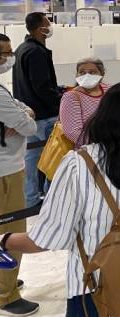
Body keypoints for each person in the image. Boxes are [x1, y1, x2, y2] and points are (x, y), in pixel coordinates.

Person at [1, 81, 120, 317]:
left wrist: (5, 240)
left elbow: (50, 238)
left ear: (104, 114)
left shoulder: (77, 165)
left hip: (92, 285)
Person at [0, 34, 40, 316]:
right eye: (4, 53)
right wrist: (24, 116)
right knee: (10, 231)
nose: (8, 57)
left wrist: (22, 113)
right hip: (6, 171)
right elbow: (29, 127)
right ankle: (6, 293)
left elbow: (22, 111)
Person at [12, 12, 62, 208]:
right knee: (53, 158)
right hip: (44, 115)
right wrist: (59, 101)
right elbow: (42, 86)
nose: (50, 27)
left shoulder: (22, 49)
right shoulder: (36, 52)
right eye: (48, 23)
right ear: (41, 29)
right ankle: (50, 199)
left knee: (31, 159)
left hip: (30, 114)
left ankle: (31, 199)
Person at [59, 58, 109, 148]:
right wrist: (102, 144)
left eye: (92, 72)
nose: (87, 76)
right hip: (89, 149)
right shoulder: (71, 97)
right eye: (82, 72)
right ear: (76, 75)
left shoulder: (110, 90)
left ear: (102, 74)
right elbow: (73, 132)